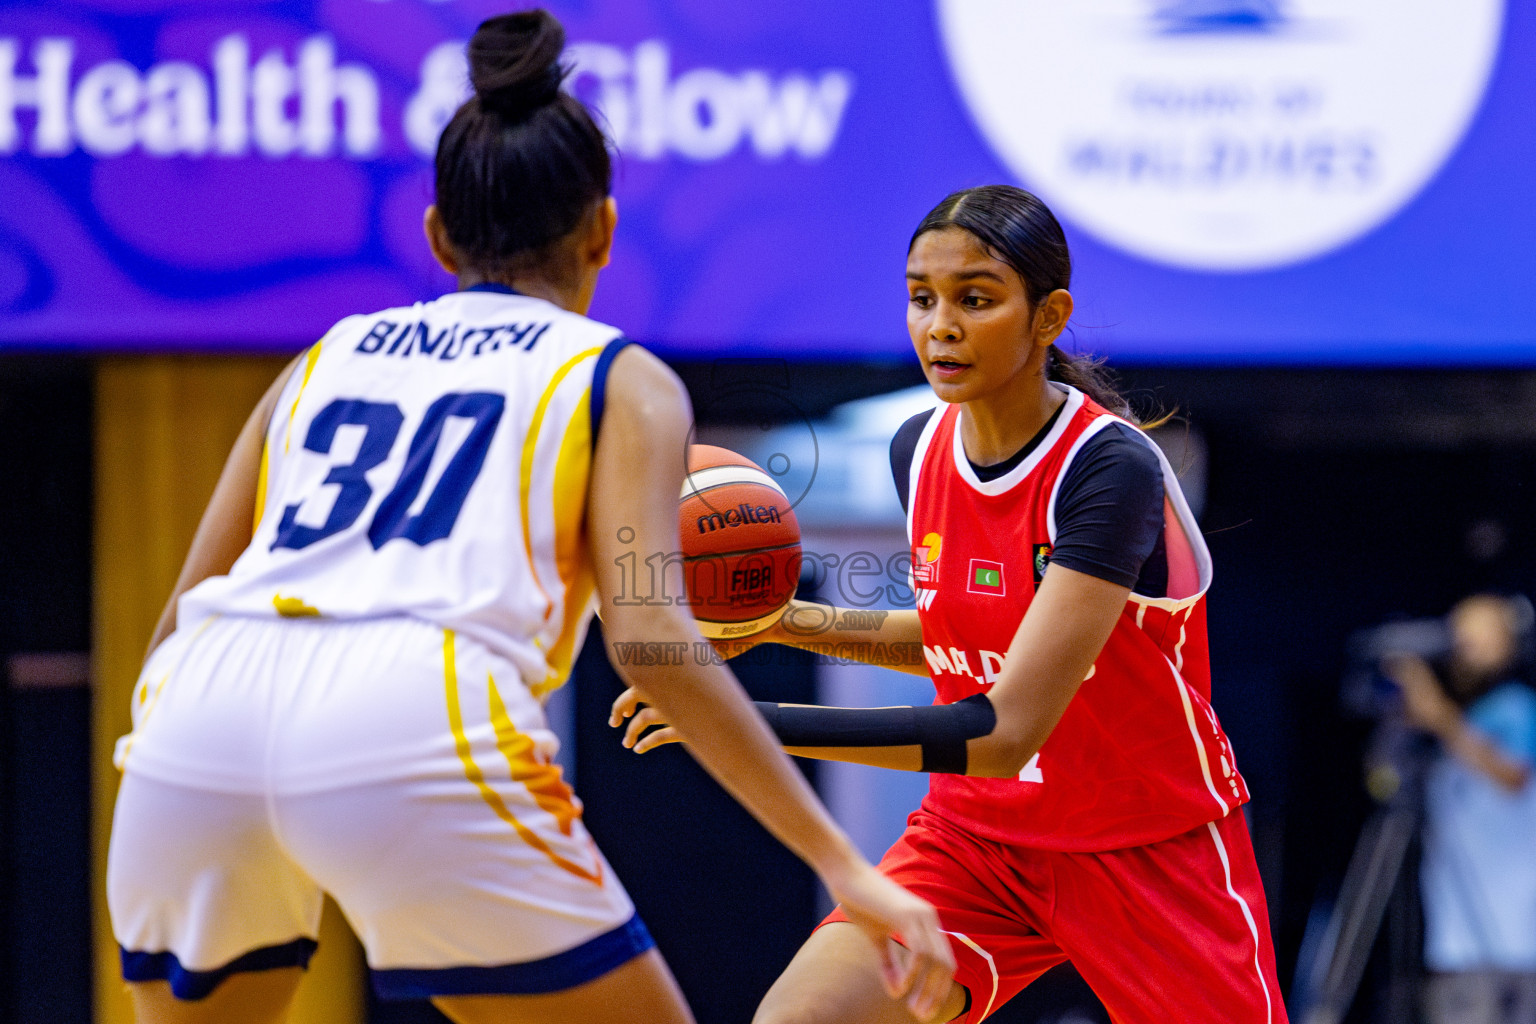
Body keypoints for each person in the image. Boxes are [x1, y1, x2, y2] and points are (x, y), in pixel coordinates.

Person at [103, 11, 954, 1024]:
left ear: (435, 235)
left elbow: (173, 622)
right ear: (601, 229)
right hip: (415, 705)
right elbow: (652, 645)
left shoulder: (316, 362)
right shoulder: (619, 378)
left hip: (198, 708)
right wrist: (843, 864)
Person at [615, 184, 1287, 1023]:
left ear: (1049, 317)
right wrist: (787, 621)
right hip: (978, 845)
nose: (941, 325)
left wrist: (737, 718)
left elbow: (1004, 730)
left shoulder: (1109, 470)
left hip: (1143, 844)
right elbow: (963, 643)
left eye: (976, 299)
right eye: (921, 299)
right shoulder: (920, 448)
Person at [1382, 594, 1536, 1024]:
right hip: (1457, 943)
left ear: (1510, 642)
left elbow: (1512, 778)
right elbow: (1384, 777)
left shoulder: (1516, 707)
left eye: (1480, 637)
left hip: (1514, 941)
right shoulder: (1457, 723)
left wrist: (1437, 713)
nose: (1465, 647)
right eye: (1460, 636)